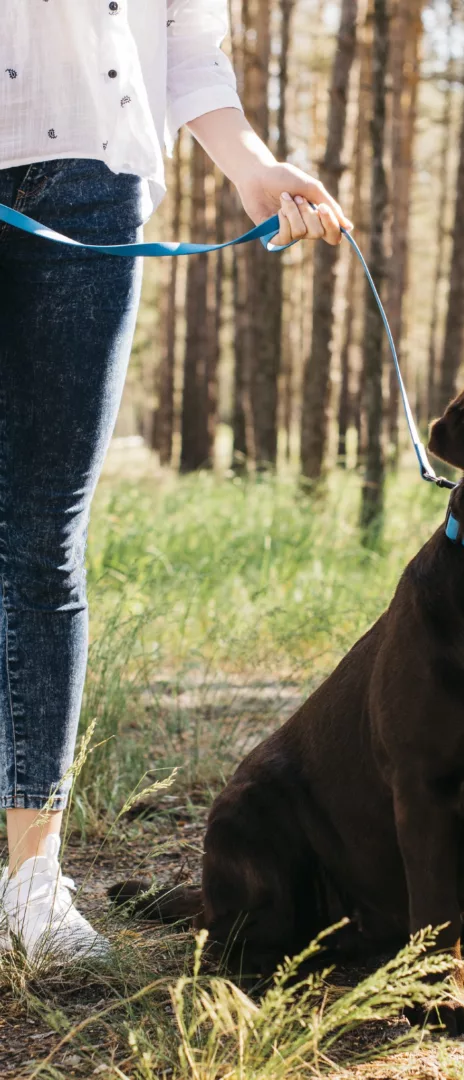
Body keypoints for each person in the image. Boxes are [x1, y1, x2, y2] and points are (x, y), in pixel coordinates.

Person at [0, 0, 351, 961]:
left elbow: (187, 49)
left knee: (41, 537)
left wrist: (254, 168)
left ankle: (32, 883)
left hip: (91, 182)